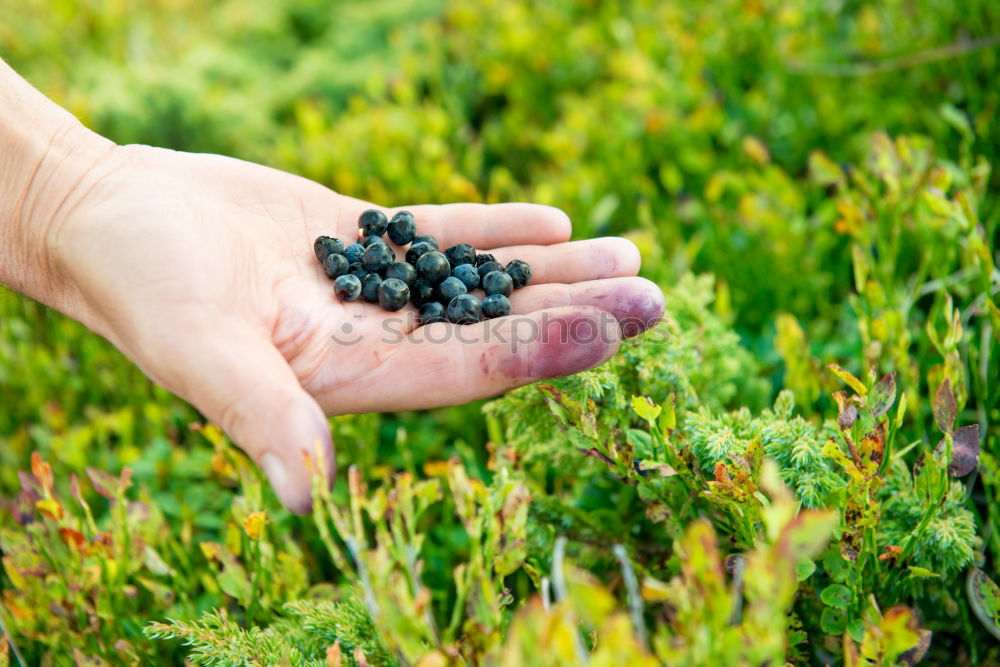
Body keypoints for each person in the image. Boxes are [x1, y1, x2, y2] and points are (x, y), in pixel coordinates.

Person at [0, 58, 664, 513]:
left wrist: (65, 184)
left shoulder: (412, 271)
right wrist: (62, 193)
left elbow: (431, 276)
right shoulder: (377, 268)